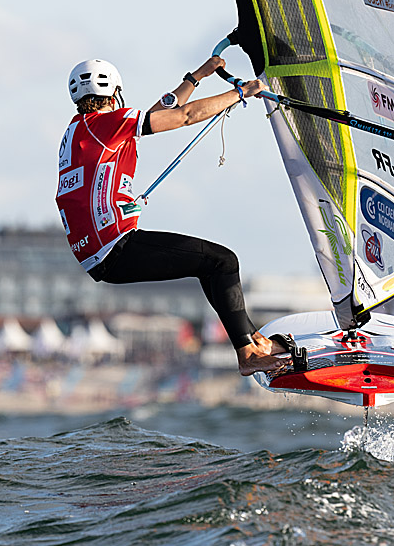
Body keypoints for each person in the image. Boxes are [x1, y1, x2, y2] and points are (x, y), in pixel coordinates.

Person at [56, 57, 292, 376]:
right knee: (224, 261)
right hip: (116, 248)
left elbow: (158, 114)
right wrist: (242, 93)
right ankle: (248, 354)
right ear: (114, 95)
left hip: (100, 256)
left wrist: (196, 77)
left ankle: (253, 343)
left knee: (210, 266)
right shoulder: (104, 126)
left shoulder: (78, 131)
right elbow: (183, 117)